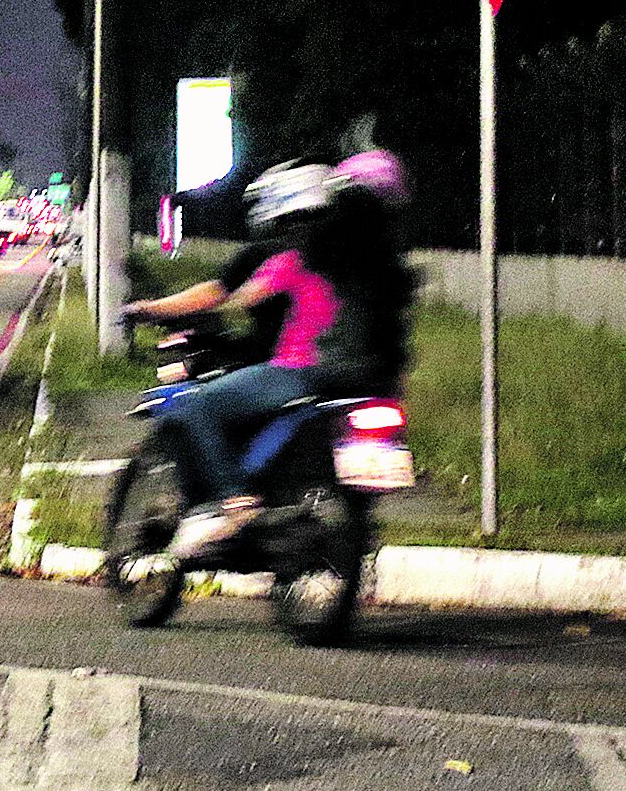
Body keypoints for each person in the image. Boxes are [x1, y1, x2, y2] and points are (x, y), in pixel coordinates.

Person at [125, 158, 416, 559]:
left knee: (198, 405)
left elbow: (236, 297)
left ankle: (233, 500)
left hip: (301, 371)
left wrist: (166, 311)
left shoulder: (305, 255)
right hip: (366, 382)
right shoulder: (391, 270)